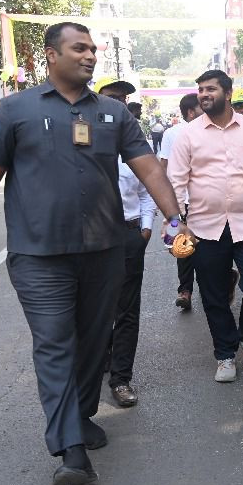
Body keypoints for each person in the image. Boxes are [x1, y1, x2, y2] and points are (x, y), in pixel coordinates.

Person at [0, 22, 182, 485]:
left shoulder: (114, 114)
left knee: (94, 342)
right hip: (39, 256)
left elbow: (147, 167)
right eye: (79, 48)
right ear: (50, 56)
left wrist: (175, 219)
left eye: (93, 49)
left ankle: (79, 416)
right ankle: (71, 450)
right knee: (56, 343)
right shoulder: (15, 110)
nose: (90, 56)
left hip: (103, 252)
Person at [168, 70, 243, 384]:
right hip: (203, 228)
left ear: (227, 92)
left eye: (210, 89)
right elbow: (175, 182)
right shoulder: (188, 134)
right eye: (200, 90)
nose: (203, 94)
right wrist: (176, 224)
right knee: (212, 294)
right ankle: (225, 354)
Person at [93, 78, 153, 409]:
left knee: (127, 311)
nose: (120, 104)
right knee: (96, 309)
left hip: (129, 236)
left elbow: (147, 189)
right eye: (113, 97)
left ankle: (121, 379)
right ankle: (98, 359)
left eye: (125, 99)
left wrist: (144, 230)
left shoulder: (136, 145)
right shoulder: (82, 142)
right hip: (93, 240)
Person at [159, 91, 201, 311]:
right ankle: (185, 291)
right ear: (191, 111)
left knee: (210, 249)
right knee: (182, 248)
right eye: (201, 107)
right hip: (180, 203)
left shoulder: (211, 131)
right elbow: (163, 169)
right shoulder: (172, 134)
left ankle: (224, 280)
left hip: (205, 204)